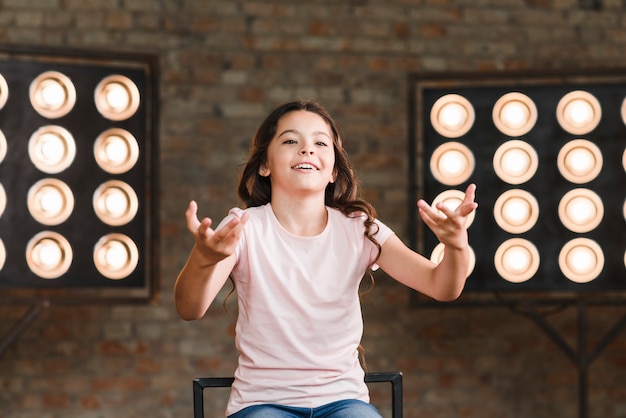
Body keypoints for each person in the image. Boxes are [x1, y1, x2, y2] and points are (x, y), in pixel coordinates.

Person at [174, 99, 478, 418]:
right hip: (262, 403)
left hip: (343, 400)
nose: (307, 149)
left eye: (320, 143)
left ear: (333, 170)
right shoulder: (244, 227)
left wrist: (455, 245)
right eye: (291, 141)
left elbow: (442, 286)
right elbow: (188, 308)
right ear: (264, 164)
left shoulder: (360, 229)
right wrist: (204, 259)